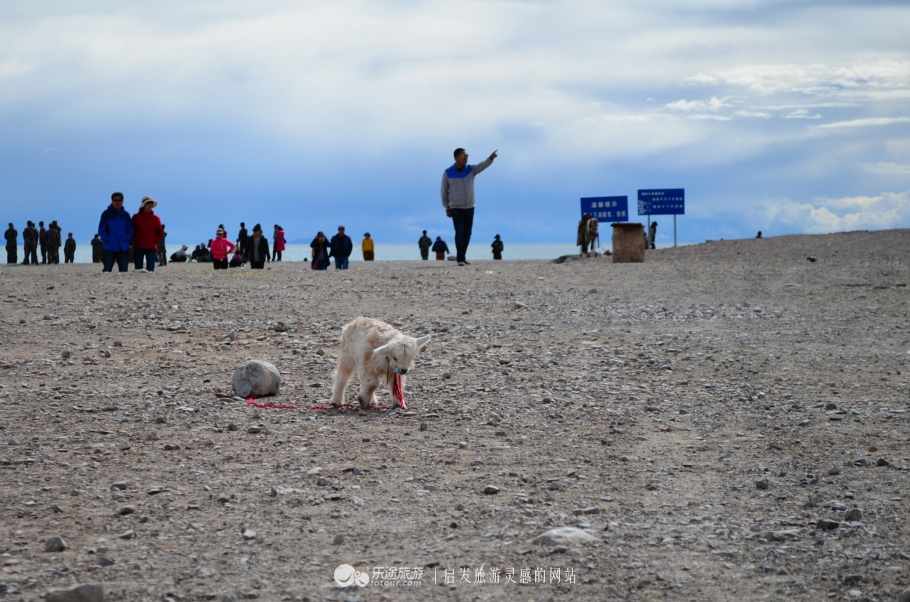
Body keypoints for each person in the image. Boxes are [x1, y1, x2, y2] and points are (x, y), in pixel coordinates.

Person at [440, 147, 497, 265]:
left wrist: (490, 158)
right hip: (456, 207)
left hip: (470, 207)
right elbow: (444, 191)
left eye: (467, 156)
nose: (466, 158)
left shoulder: (471, 169)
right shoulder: (448, 172)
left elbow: (483, 165)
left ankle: (462, 256)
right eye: (463, 155)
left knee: (467, 233)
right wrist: (447, 207)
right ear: (456, 157)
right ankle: (460, 259)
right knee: (460, 232)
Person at [98, 193, 132, 272]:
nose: (117, 202)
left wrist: (128, 240)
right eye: (115, 200)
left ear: (122, 201)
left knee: (124, 271)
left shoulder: (126, 215)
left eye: (119, 200)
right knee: (107, 270)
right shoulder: (106, 214)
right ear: (112, 201)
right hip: (109, 247)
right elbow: (101, 230)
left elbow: (130, 229)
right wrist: (107, 239)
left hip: (123, 247)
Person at [131, 196, 163, 272]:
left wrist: (154, 241)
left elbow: (160, 232)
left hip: (151, 247)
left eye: (151, 203)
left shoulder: (156, 218)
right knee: (138, 270)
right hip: (138, 246)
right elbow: (130, 230)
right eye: (148, 203)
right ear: (143, 205)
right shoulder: (136, 217)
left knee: (150, 270)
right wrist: (132, 241)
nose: (150, 205)